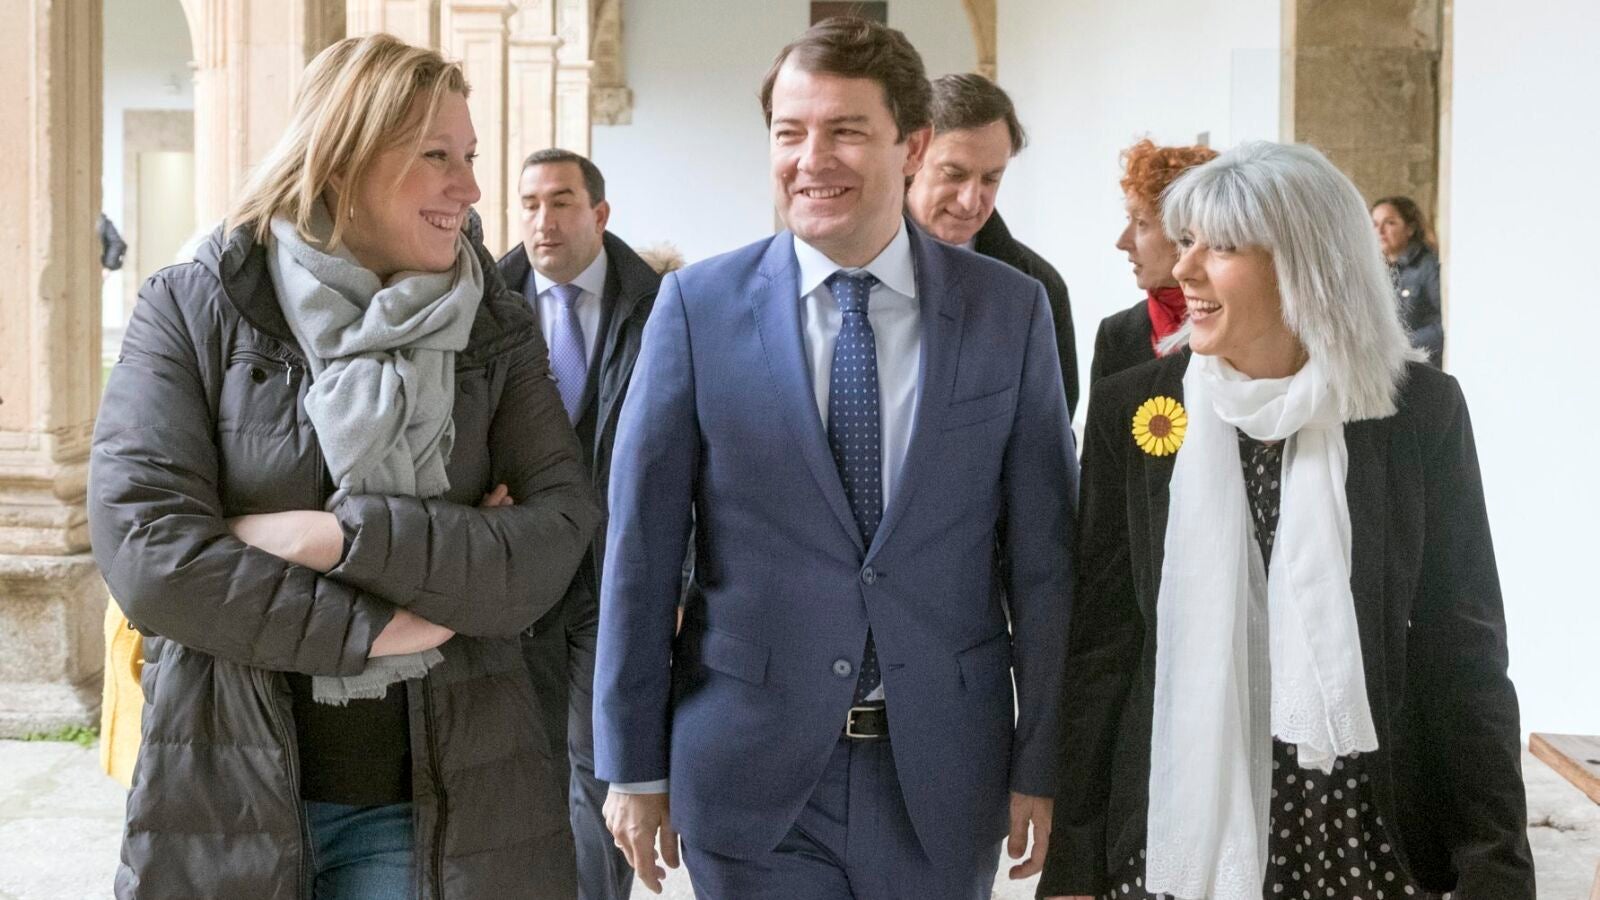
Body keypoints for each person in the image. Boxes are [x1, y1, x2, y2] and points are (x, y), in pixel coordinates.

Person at [87, 33, 599, 899]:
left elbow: (552, 540)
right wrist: (381, 625)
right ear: (342, 160)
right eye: (436, 156)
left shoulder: (494, 325)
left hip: (446, 808)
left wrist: (328, 537)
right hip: (225, 799)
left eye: (469, 156)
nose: (470, 188)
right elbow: (149, 554)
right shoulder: (197, 304)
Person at [593, 17, 1077, 900]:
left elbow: (1044, 561)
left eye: (846, 130)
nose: (811, 159)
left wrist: (1043, 759)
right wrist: (632, 764)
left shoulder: (1010, 312)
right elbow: (640, 554)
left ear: (911, 145)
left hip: (943, 773)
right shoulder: (696, 309)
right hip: (748, 776)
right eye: (790, 132)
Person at [1039, 141, 1534, 900]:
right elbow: (1104, 646)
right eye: (1186, 240)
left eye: (1220, 247)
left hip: (1359, 832)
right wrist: (1073, 863)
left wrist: (1496, 864)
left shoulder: (1416, 412)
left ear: (1306, 264)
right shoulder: (1135, 409)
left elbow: (1462, 651)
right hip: (1181, 824)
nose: (1184, 268)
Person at [499, 148, 661, 900]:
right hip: (515, 575)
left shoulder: (658, 308)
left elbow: (692, 453)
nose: (544, 220)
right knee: (519, 773)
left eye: (561, 201)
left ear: (599, 213)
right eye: (530, 204)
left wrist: (680, 577)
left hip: (613, 577)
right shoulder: (481, 304)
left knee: (602, 770)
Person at [906, 73, 1079, 416]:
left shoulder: (1039, 284)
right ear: (912, 156)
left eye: (990, 179)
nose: (971, 201)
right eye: (954, 174)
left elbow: (1051, 425)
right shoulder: (853, 263)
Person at [1089, 139, 1216, 388]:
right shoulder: (1115, 333)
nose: (1122, 242)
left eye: (1141, 223)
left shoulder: (1234, 326)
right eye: (1129, 219)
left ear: (1187, 232)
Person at [1372, 195, 1444, 366]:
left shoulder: (1429, 267)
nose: (1380, 231)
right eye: (1374, 224)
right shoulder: (1376, 271)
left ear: (1410, 228)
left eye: (1390, 223)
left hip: (1423, 367)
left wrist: (1401, 346)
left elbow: (1445, 324)